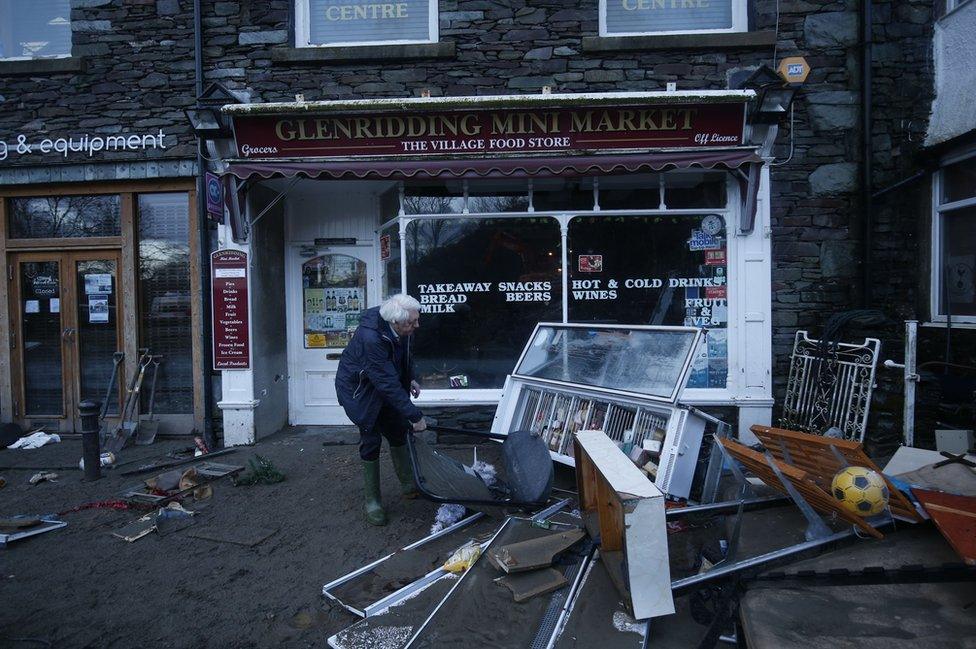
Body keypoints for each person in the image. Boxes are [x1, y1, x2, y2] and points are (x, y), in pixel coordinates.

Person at [335, 293, 426, 526]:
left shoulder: (401, 325)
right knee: (371, 439)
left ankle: (408, 484)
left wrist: (410, 378)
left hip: (383, 384)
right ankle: (373, 501)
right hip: (360, 392)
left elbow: (403, 356)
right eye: (412, 322)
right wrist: (414, 415)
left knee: (397, 430)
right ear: (395, 322)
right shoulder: (371, 338)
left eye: (417, 320)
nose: (417, 325)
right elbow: (384, 381)